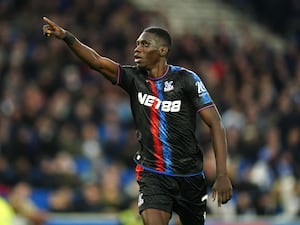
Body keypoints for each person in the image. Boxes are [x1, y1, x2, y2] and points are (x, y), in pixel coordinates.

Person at [42, 16, 232, 225]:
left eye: (144, 44)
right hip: (153, 174)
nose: (137, 49)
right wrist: (68, 37)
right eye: (137, 44)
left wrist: (222, 174)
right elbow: (96, 61)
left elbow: (216, 123)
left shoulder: (186, 80)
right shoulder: (134, 78)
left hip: (189, 176)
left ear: (162, 51)